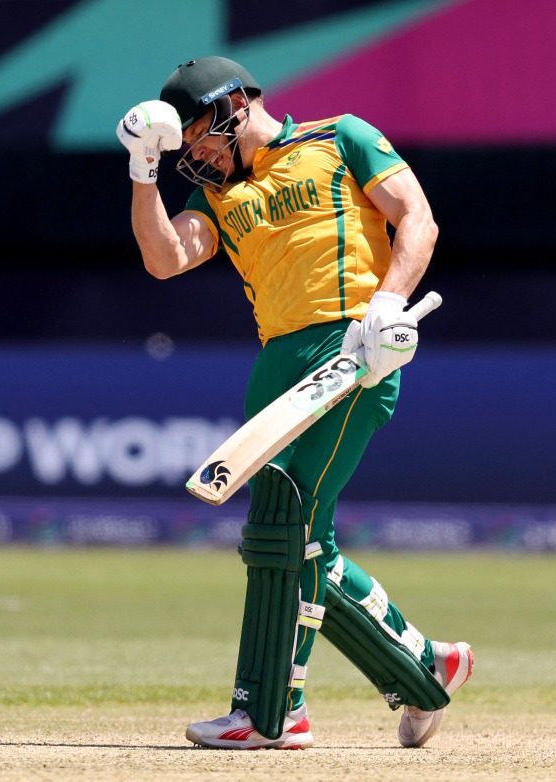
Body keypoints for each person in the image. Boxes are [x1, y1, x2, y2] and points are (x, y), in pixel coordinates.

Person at [115, 56, 472, 750]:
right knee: (303, 541)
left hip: (353, 347)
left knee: (286, 523)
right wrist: (141, 169)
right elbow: (163, 258)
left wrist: (388, 304)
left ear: (233, 107)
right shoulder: (218, 196)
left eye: (197, 138)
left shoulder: (341, 138)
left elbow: (418, 219)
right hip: (278, 364)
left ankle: (271, 712)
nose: (195, 155)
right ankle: (428, 667)